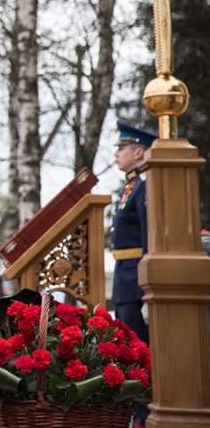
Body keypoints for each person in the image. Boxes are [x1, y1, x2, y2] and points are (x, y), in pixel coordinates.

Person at [111, 120, 156, 428]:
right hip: (124, 277)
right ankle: (136, 411)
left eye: (122, 148)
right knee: (130, 349)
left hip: (135, 280)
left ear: (139, 152)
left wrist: (146, 289)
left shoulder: (144, 187)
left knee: (139, 350)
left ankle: (143, 415)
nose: (117, 154)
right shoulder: (131, 186)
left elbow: (148, 239)